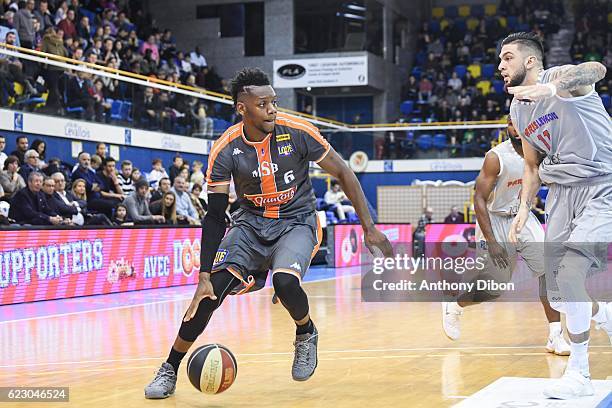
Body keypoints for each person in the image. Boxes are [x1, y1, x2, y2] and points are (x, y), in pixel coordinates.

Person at [144, 68, 393, 399]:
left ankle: (305, 331)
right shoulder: (225, 148)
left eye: (274, 102)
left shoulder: (299, 131)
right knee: (210, 294)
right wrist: (204, 273)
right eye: (263, 104)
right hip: (249, 223)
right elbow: (216, 216)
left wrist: (369, 227)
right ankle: (169, 368)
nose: (272, 109)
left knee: (286, 282)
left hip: (297, 219)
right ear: (242, 108)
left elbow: (343, 171)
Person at [500, 32, 612, 399]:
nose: (500, 66)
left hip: (601, 186)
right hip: (560, 194)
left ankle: (579, 372)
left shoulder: (558, 79)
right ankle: (603, 315)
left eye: (508, 58)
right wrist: (522, 210)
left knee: (572, 272)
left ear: (530, 61)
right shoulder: (517, 108)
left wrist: (550, 91)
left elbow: (596, 69)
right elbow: (532, 166)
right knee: (560, 293)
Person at [442, 116, 570, 357]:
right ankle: (455, 305)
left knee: (548, 271)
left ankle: (555, 335)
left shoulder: (540, 151)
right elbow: (478, 199)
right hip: (495, 219)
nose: (516, 129)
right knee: (494, 287)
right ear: (507, 127)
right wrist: (492, 242)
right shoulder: (496, 158)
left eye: (520, 124)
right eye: (511, 124)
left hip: (522, 216)